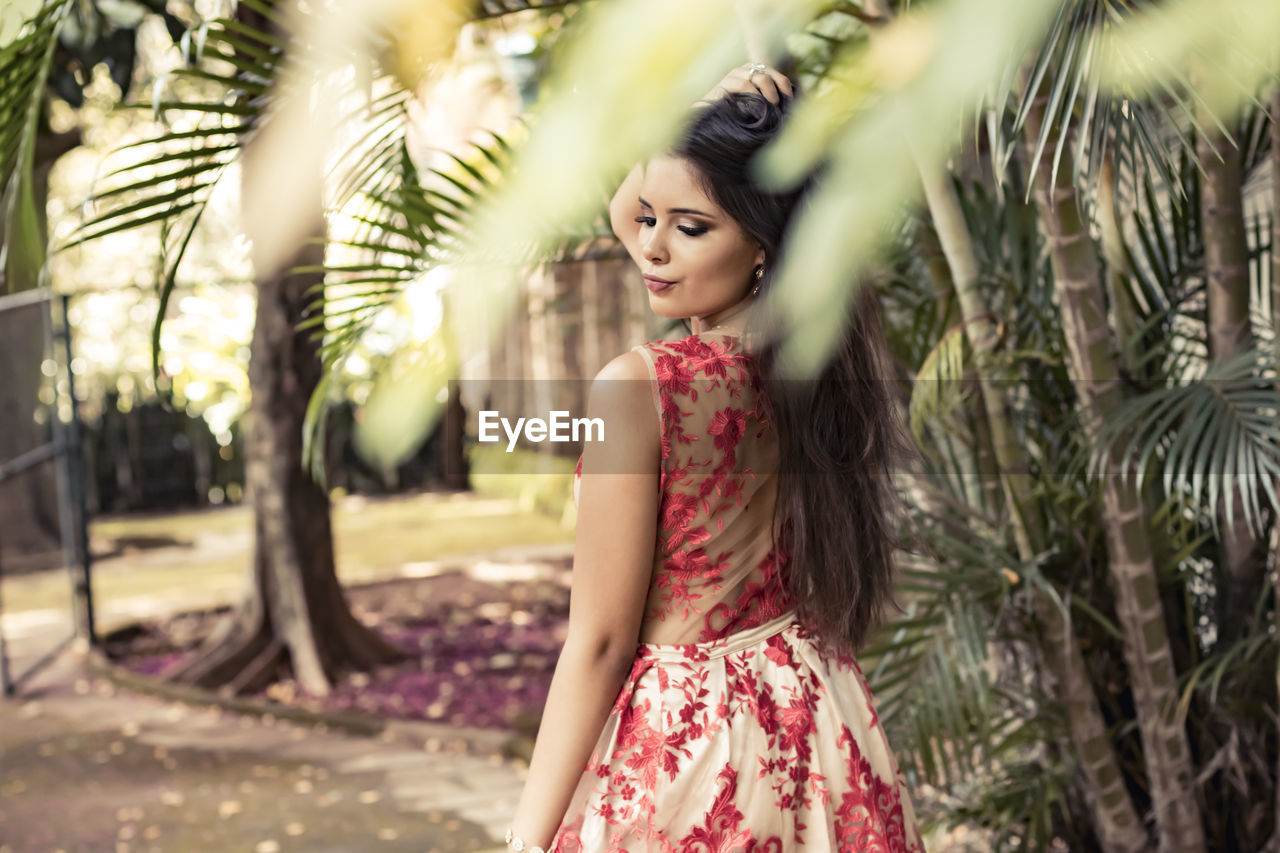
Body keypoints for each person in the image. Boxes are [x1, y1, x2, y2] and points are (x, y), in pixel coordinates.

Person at [503, 62, 925, 852]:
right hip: (818, 721)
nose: (651, 245)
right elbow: (639, 211)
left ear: (760, 245)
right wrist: (699, 125)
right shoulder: (818, 360)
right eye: (650, 218)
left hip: (696, 750)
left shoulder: (640, 390)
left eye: (690, 228)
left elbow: (599, 639)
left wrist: (525, 837)